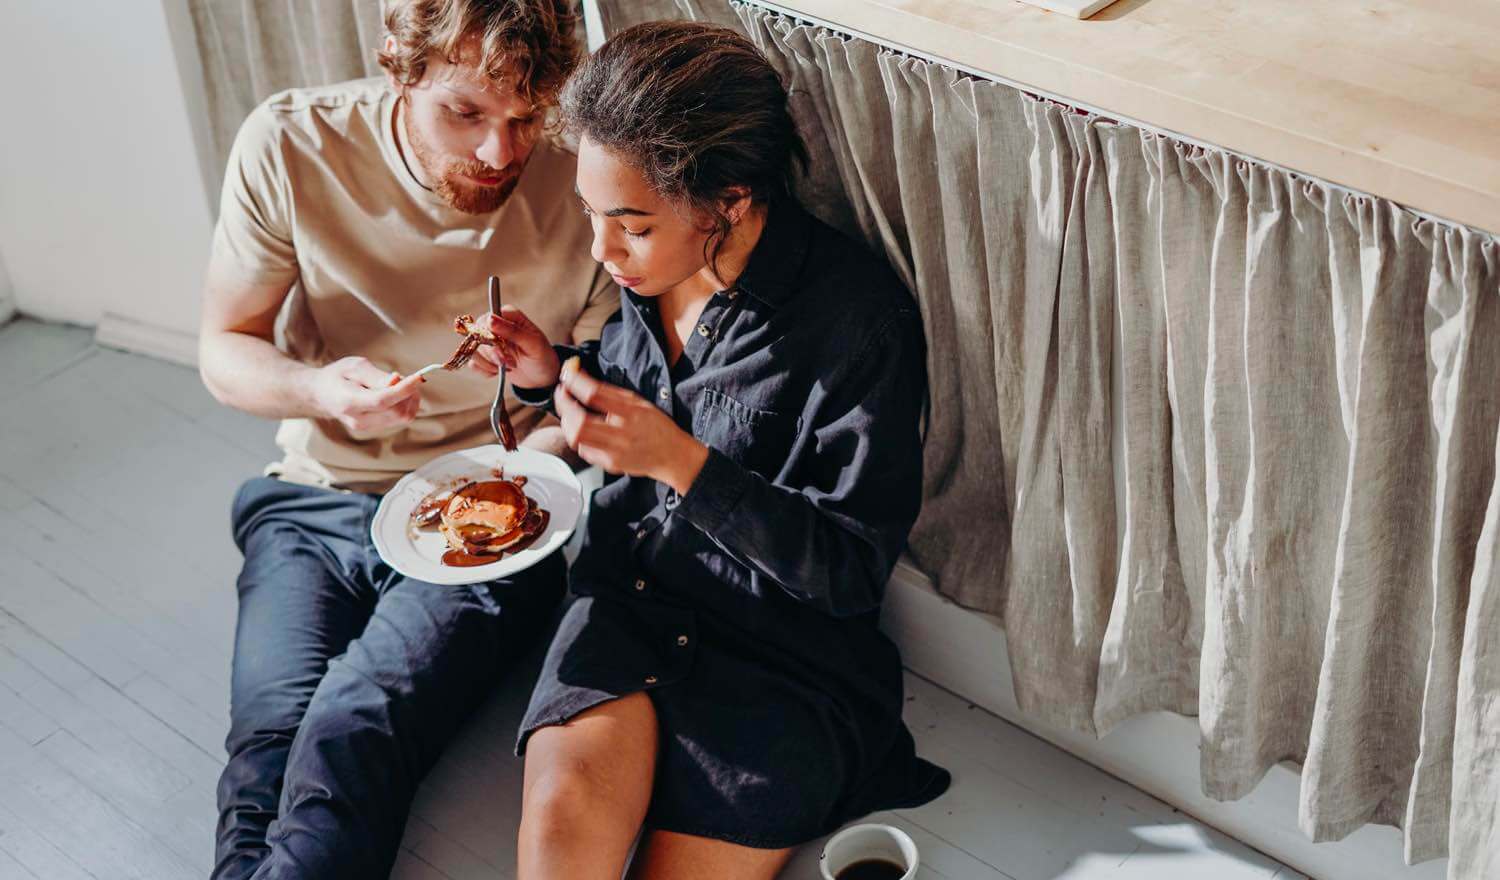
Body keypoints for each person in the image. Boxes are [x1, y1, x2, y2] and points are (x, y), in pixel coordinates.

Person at [482, 21, 951, 879]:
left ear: (728, 201)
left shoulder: (858, 323)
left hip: (780, 660)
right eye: (592, 215)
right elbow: (636, 402)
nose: (601, 250)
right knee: (558, 844)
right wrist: (552, 379)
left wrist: (683, 466)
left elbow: (847, 571)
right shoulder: (646, 274)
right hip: (629, 604)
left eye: (629, 224)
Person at [195, 1, 614, 876]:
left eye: (526, 119)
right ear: (399, 65)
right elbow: (222, 349)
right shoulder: (291, 144)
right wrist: (318, 391)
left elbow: (606, 388)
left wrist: (513, 474)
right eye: (465, 113)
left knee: (352, 729)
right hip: (316, 498)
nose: (501, 155)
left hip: (503, 521)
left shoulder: (590, 177)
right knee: (266, 745)